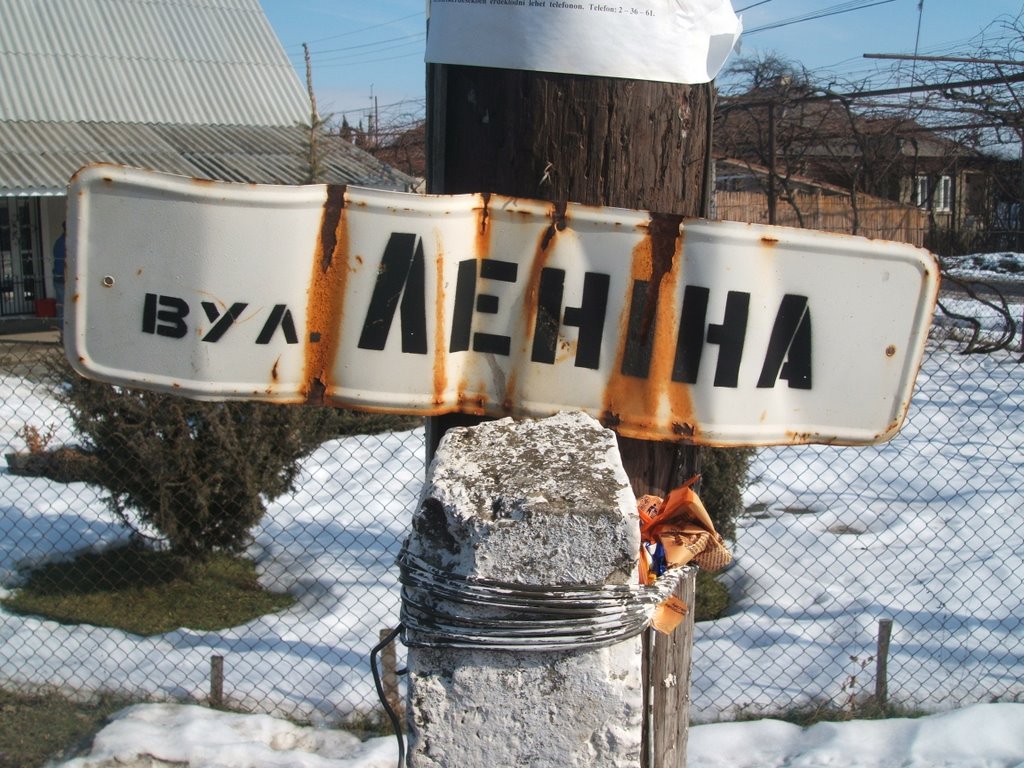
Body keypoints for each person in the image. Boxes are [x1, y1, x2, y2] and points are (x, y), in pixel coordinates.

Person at [52, 221, 66, 324]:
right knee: (66, 305)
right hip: (64, 277)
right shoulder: (66, 242)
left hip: (58, 276)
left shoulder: (59, 241)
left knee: (61, 305)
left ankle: (63, 331)